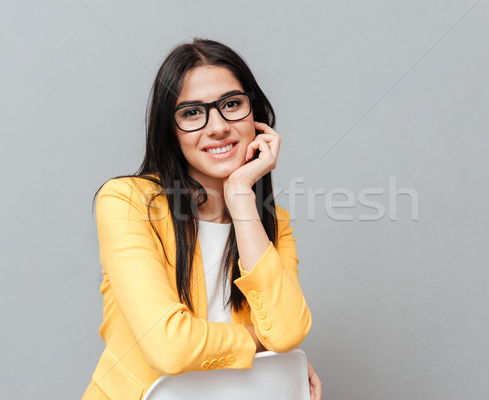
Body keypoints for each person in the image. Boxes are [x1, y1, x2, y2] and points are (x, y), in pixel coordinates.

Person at [82, 38, 322, 399]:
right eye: (192, 112)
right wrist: (261, 346)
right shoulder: (127, 202)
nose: (218, 126)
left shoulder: (272, 222)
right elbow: (169, 348)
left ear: (254, 114)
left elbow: (287, 332)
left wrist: (241, 197)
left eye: (231, 104)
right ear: (171, 129)